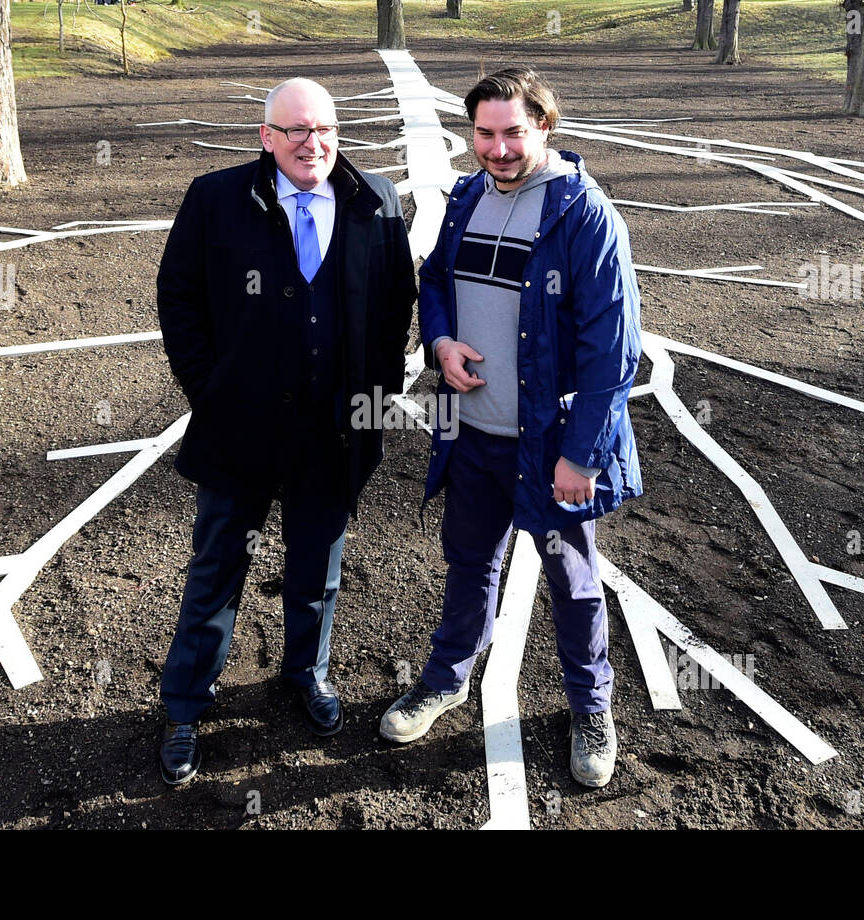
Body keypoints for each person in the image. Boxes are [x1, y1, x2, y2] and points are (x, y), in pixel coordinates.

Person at [379, 67, 643, 788]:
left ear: (545, 128)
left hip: (550, 446)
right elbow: (433, 280)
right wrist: (439, 343)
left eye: (513, 133)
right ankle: (446, 678)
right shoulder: (466, 196)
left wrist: (581, 455)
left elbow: (612, 351)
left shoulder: (583, 215)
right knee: (469, 564)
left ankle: (591, 707)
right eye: (485, 133)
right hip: (471, 436)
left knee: (573, 582)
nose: (497, 149)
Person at [156, 77, 416, 786]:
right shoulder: (215, 199)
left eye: (324, 128)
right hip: (240, 427)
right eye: (296, 130)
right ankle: (183, 702)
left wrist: (377, 392)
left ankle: (307, 674)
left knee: (317, 569)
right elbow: (177, 296)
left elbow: (398, 305)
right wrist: (209, 389)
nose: (313, 142)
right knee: (216, 569)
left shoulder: (375, 203)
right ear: (266, 138)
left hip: (331, 433)